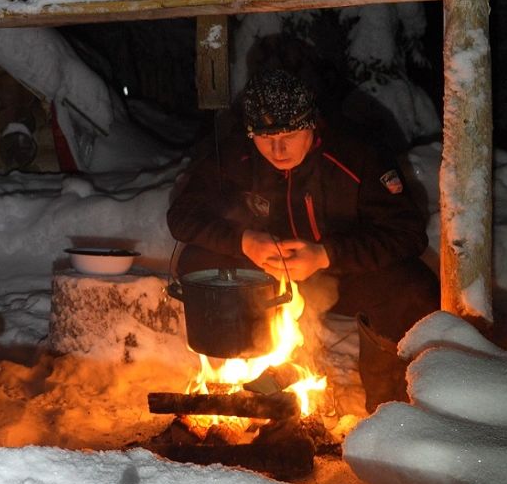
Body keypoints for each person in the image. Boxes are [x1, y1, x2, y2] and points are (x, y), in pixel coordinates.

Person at [166, 69, 438, 409]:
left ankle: (391, 408)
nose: (278, 149)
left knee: (412, 288)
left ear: (311, 124)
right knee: (198, 263)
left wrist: (327, 254)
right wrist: (244, 241)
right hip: (264, 282)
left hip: (343, 275)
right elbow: (182, 217)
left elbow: (408, 234)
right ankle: (236, 376)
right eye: (266, 138)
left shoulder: (358, 153)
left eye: (290, 135)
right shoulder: (236, 155)